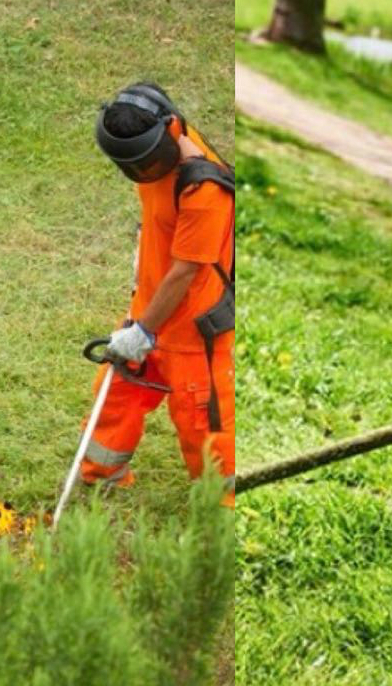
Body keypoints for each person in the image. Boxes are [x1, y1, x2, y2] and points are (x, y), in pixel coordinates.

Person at [81, 82, 234, 506]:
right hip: (147, 308)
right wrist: (140, 319)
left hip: (192, 330)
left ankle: (221, 507)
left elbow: (186, 270)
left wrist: (144, 331)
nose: (142, 174)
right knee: (116, 395)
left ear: (171, 132)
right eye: (132, 166)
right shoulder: (149, 154)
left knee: (205, 425)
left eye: (147, 164)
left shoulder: (205, 191)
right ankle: (101, 478)